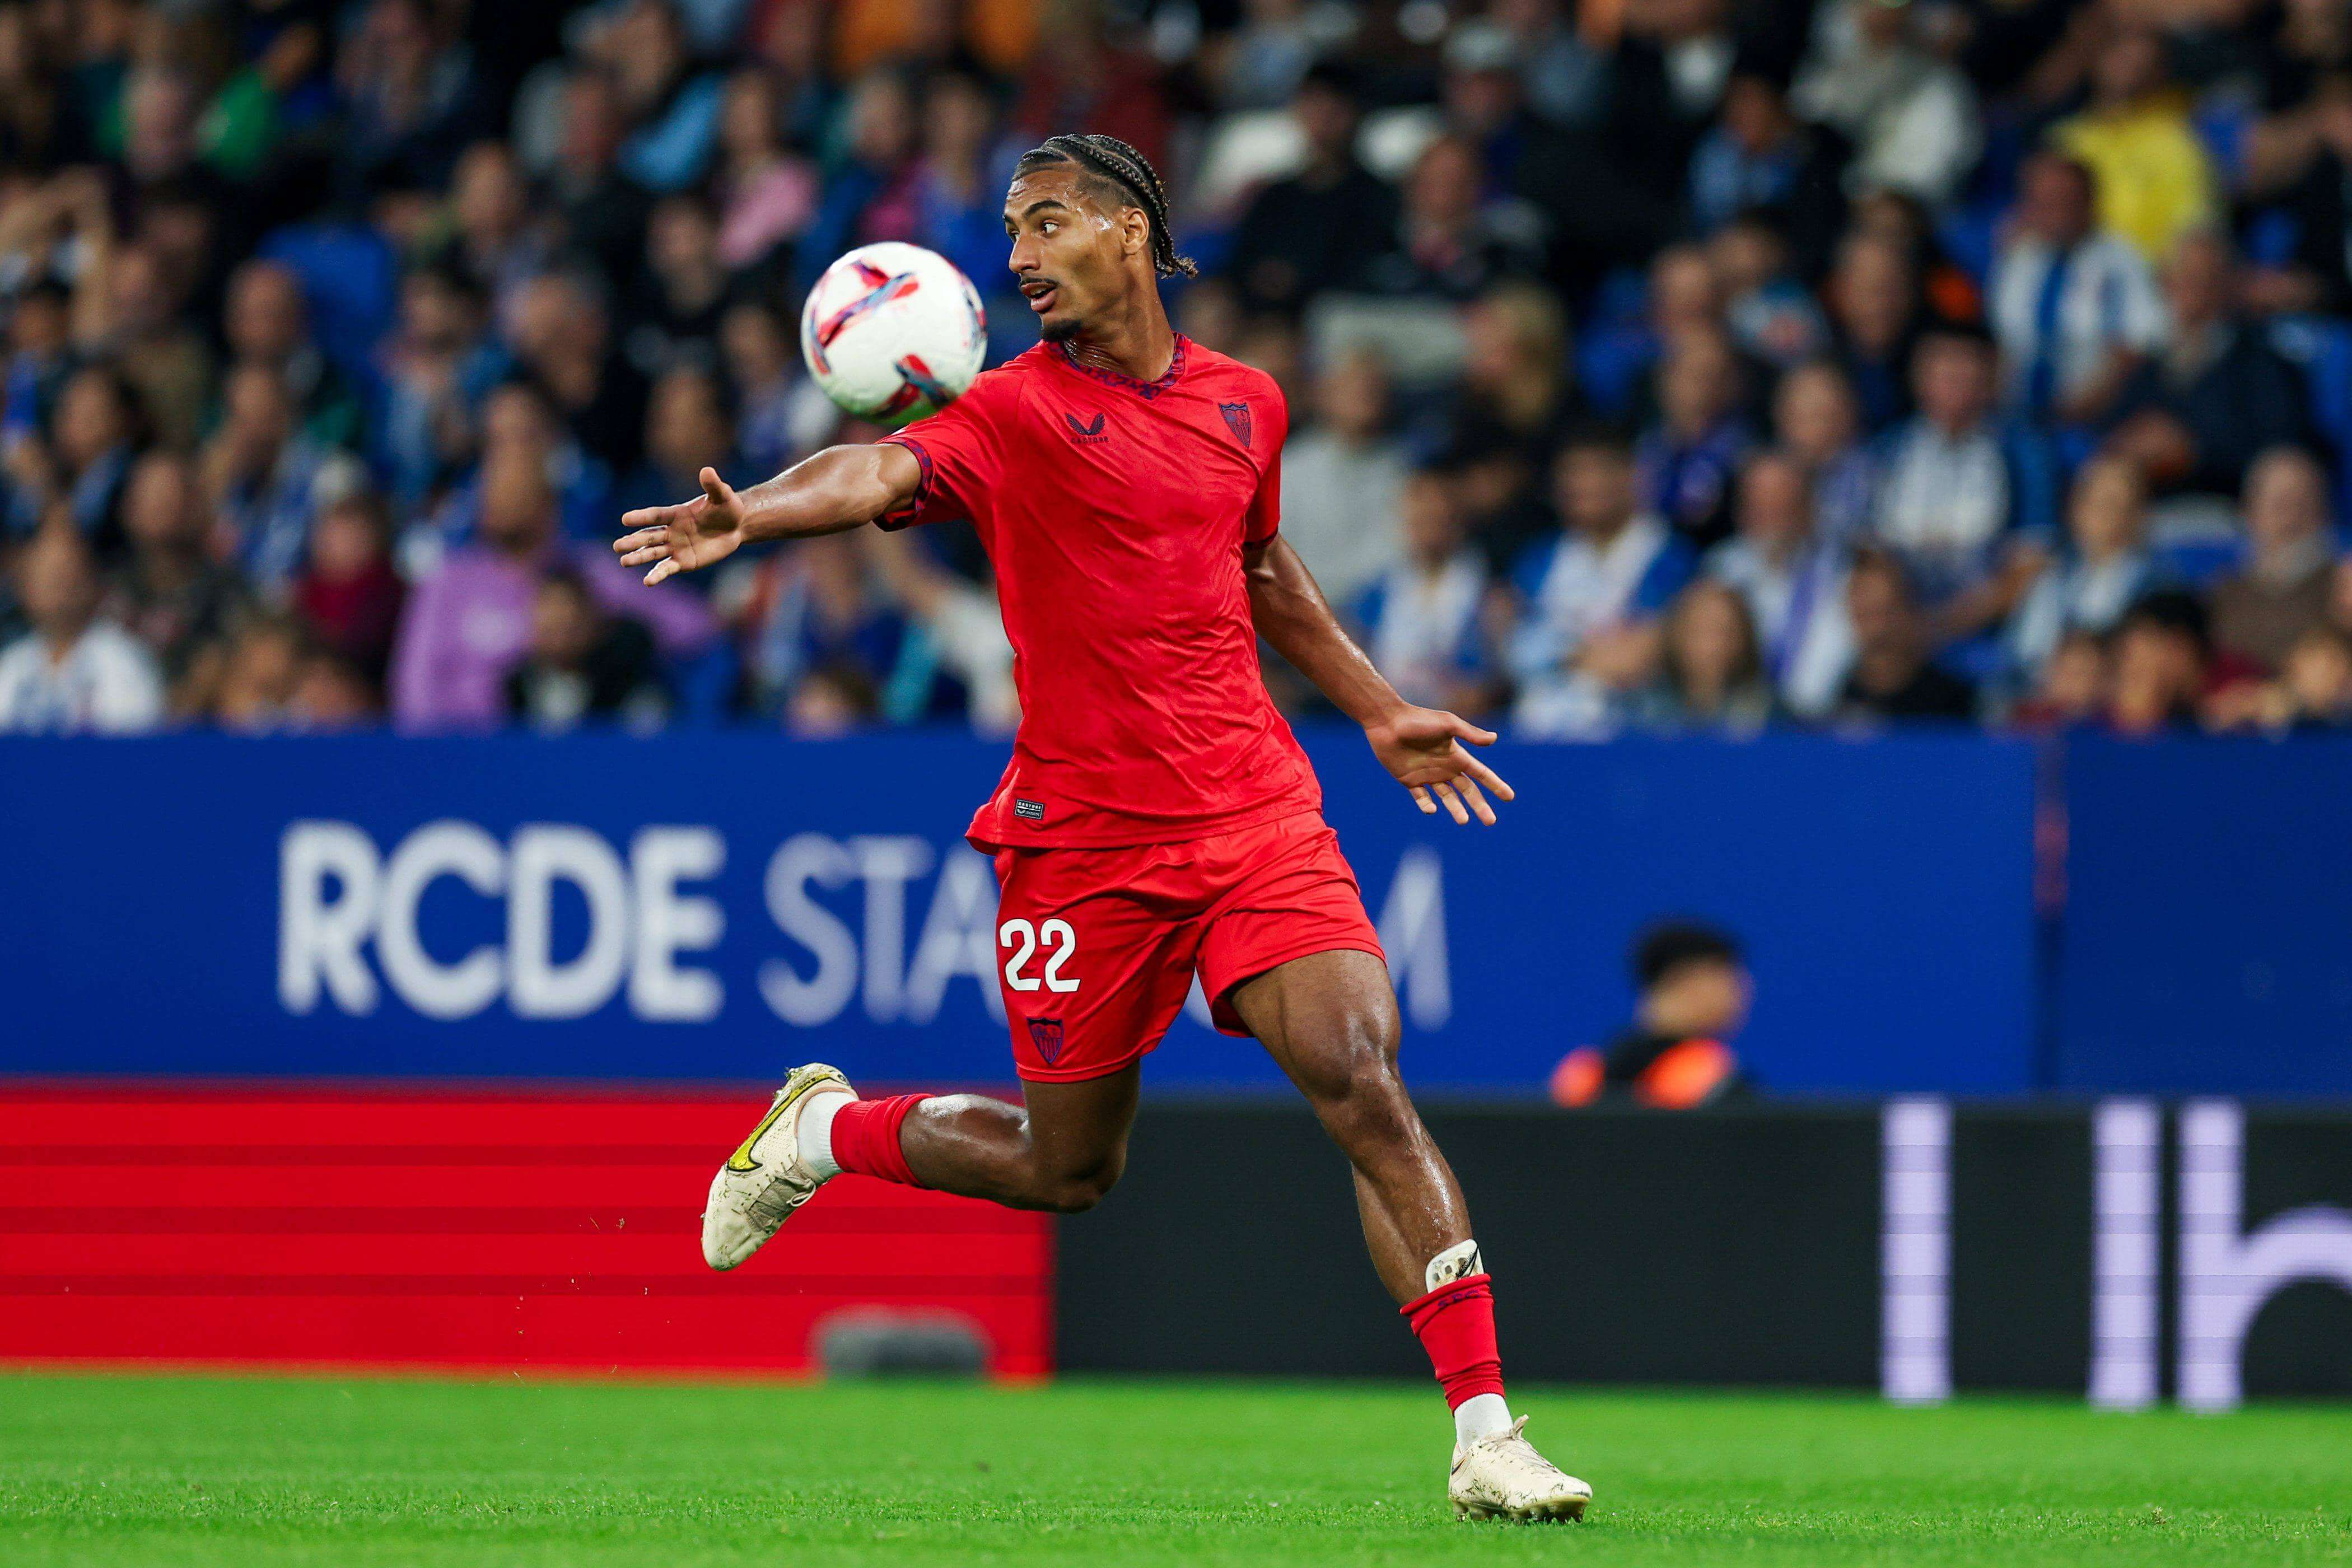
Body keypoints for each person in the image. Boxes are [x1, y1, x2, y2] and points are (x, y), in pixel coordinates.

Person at [614, 130, 1589, 1523]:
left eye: (1049, 221)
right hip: (1083, 843)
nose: (1019, 256)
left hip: (1254, 810)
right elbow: (878, 474)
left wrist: (1377, 708)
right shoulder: (1005, 412)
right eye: (1013, 231)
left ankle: (1486, 1434)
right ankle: (826, 1130)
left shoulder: (1248, 401)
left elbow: (1258, 560)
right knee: (1066, 1169)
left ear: (1132, 230)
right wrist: (758, 515)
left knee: (1361, 1074)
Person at [1549, 922, 1751, 1109]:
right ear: (1689, 980)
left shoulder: (1582, 1073)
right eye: (1729, 980)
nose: (1742, 994)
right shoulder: (1713, 1080)